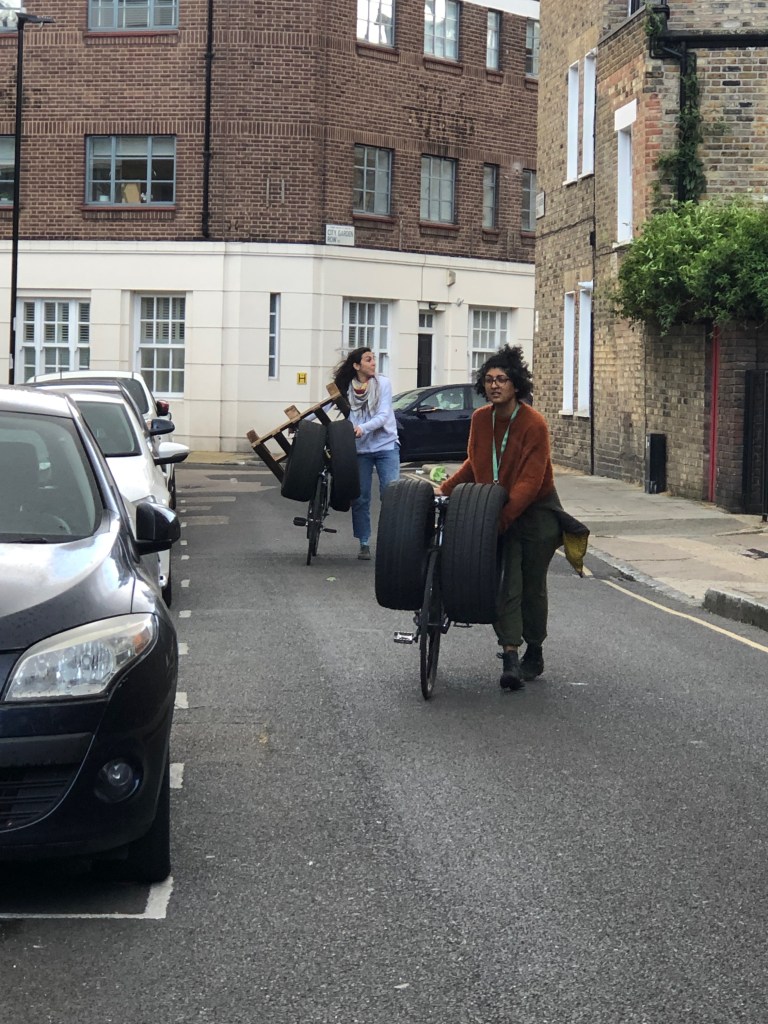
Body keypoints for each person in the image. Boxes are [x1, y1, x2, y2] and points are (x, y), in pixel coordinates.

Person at [437, 344, 562, 690]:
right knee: (507, 583)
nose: (494, 385)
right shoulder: (480, 419)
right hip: (496, 509)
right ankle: (510, 656)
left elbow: (530, 482)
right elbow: (474, 464)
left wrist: (499, 521)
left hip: (536, 512)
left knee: (531, 586)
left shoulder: (534, 423)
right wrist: (444, 490)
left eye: (502, 379)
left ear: (516, 384)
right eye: (489, 379)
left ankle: (534, 649)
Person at [332, 346, 400, 560]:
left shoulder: (383, 384)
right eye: (368, 359)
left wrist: (362, 428)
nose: (373, 363)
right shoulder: (347, 388)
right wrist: (300, 423)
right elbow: (325, 407)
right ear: (356, 365)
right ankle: (364, 542)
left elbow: (383, 415)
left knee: (391, 494)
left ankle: (392, 540)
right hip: (361, 449)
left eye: (374, 359)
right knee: (360, 497)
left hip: (386, 445)